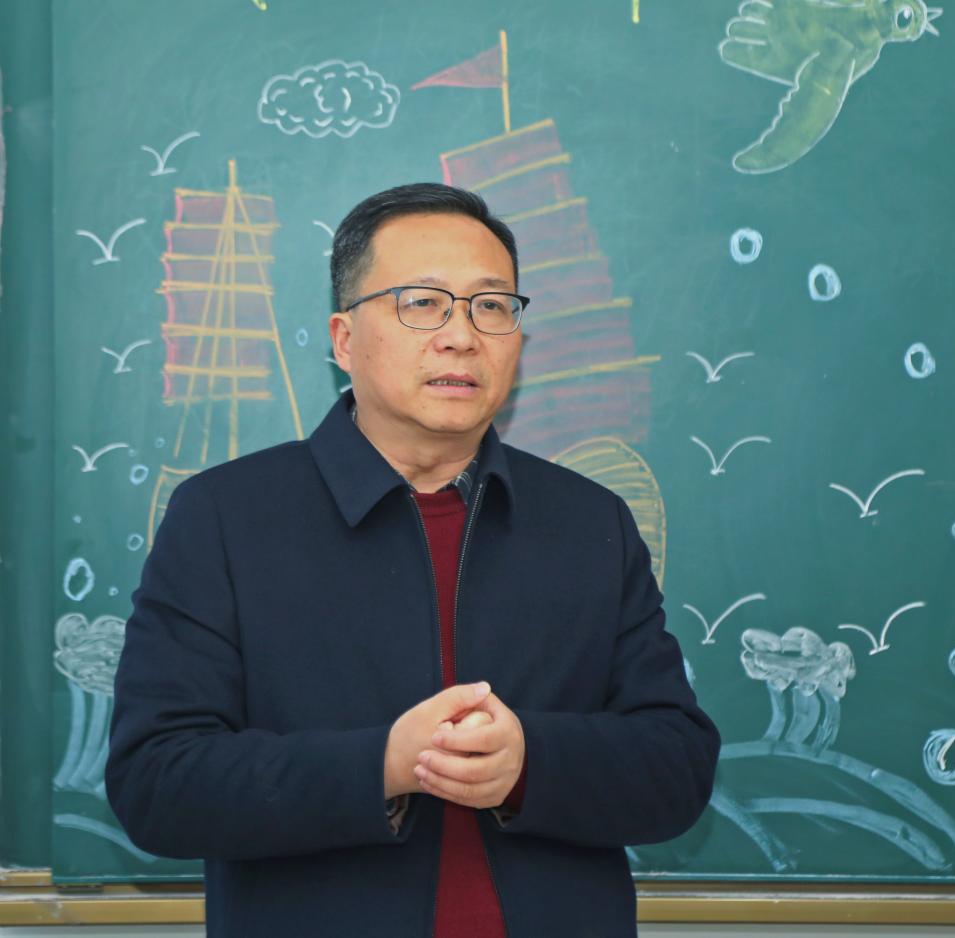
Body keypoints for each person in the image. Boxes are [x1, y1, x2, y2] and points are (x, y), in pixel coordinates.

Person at [106, 183, 720, 937]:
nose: (461, 335)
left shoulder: (591, 522)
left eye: (491, 306)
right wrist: (385, 766)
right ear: (343, 339)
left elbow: (677, 767)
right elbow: (156, 783)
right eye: (423, 303)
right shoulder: (223, 517)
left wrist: (529, 762)